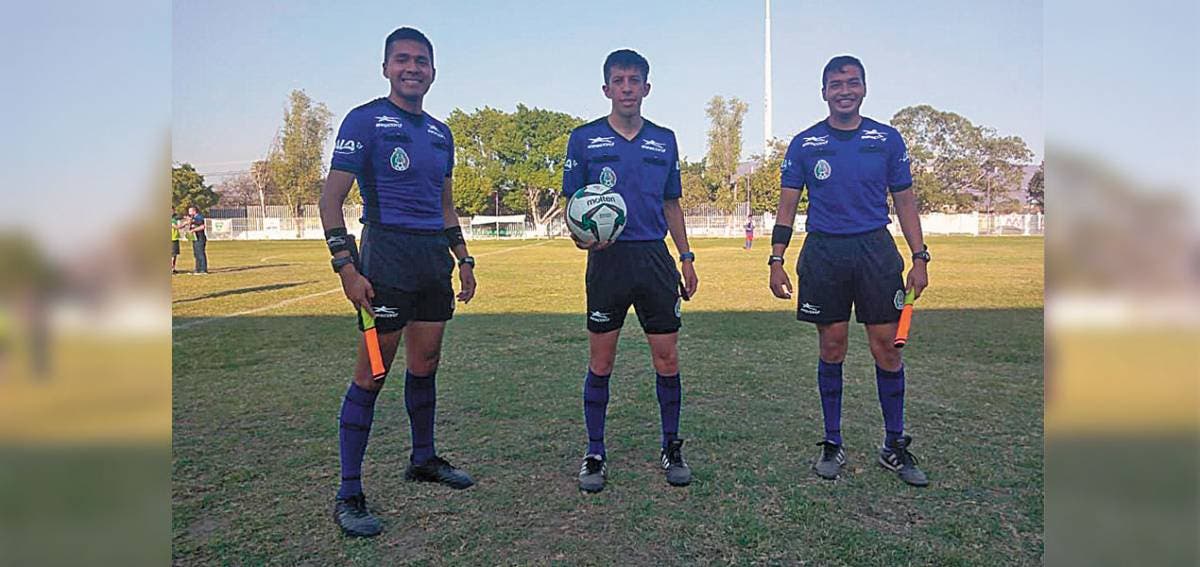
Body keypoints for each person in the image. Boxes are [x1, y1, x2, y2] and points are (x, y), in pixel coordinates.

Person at [319, 27, 478, 538]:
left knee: (425, 363)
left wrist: (463, 257)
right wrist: (347, 268)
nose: (412, 68)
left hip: (432, 261)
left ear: (433, 71)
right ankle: (349, 492)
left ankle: (423, 458)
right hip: (384, 258)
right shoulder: (364, 120)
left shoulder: (441, 134)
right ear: (386, 68)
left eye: (421, 61)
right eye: (403, 59)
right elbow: (330, 201)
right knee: (372, 373)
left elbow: (445, 205)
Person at [768, 55, 931, 487]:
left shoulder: (886, 139)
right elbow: (787, 207)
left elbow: (905, 201)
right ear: (824, 92)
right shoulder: (805, 144)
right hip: (824, 251)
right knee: (832, 346)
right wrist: (776, 259)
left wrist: (919, 256)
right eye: (836, 84)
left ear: (864, 88)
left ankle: (893, 444)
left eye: (852, 83)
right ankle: (832, 441)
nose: (845, 91)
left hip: (875, 249)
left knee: (887, 348)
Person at [562, 49, 698, 493]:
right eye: (618, 81)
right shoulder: (584, 139)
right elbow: (572, 207)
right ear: (606, 89)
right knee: (601, 361)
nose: (626, 88)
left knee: (667, 358)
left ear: (646, 88)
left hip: (654, 259)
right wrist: (582, 238)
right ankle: (595, 452)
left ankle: (671, 446)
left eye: (633, 81)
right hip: (608, 262)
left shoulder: (664, 140)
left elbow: (671, 203)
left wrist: (686, 257)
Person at [186, 206, 208, 274]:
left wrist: (193, 230)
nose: (189, 213)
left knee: (200, 253)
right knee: (196, 254)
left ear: (194, 211)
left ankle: (203, 270)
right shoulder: (193, 218)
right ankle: (197, 269)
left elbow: (202, 226)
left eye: (190, 211)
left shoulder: (199, 217)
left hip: (200, 238)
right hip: (195, 238)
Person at [171, 209, 184, 274]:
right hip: (172, 239)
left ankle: (173, 268)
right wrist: (185, 224)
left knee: (174, 254)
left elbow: (180, 216)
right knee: (172, 255)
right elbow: (176, 227)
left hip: (175, 238)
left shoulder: (174, 218)